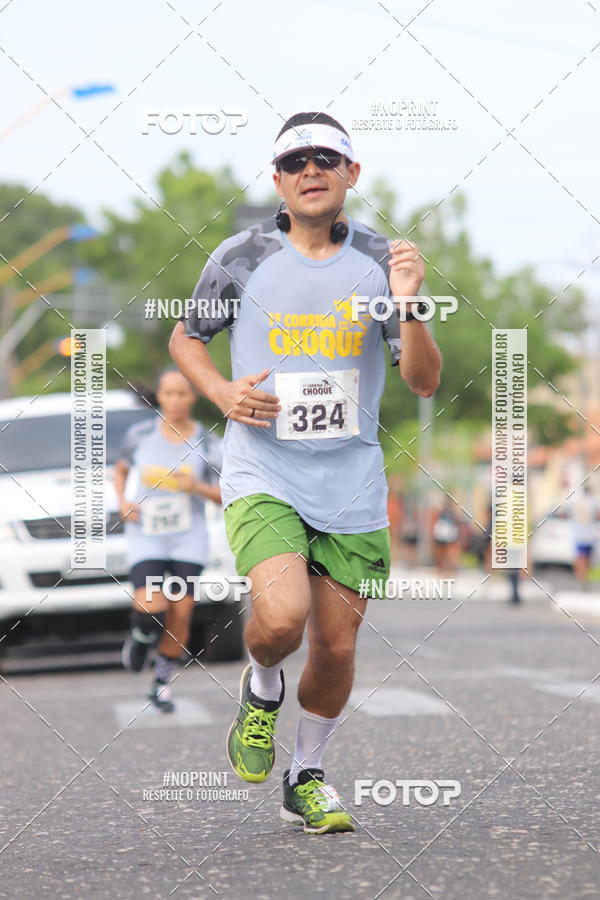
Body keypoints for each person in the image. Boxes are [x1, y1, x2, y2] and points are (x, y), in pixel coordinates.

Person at [169, 111, 442, 833]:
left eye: (327, 157)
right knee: (281, 619)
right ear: (278, 180)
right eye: (296, 161)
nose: (311, 169)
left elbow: (421, 382)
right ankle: (261, 689)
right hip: (264, 469)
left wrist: (412, 307)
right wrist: (222, 392)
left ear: (353, 173)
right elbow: (187, 334)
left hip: (351, 480)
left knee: (338, 645)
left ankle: (307, 774)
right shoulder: (241, 253)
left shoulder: (386, 260)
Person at [113, 368, 222, 712]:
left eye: (182, 394)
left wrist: (197, 488)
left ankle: (161, 681)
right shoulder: (140, 434)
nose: (175, 401)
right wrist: (123, 502)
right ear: (158, 396)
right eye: (169, 394)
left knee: (180, 614)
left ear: (194, 397)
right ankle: (142, 636)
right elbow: (120, 470)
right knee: (150, 607)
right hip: (147, 535)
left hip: (188, 538)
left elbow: (226, 494)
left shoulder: (207, 441)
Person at [570, 482, 599, 590]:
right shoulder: (593, 502)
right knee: (587, 560)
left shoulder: (577, 502)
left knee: (580, 559)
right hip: (590, 536)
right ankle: (585, 579)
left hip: (579, 536)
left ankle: (582, 578)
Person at [432, 499, 461, 576]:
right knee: (442, 554)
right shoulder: (441, 512)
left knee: (448, 553)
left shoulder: (452, 513)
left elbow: (456, 523)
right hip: (442, 534)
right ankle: (442, 570)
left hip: (448, 534)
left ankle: (448, 570)